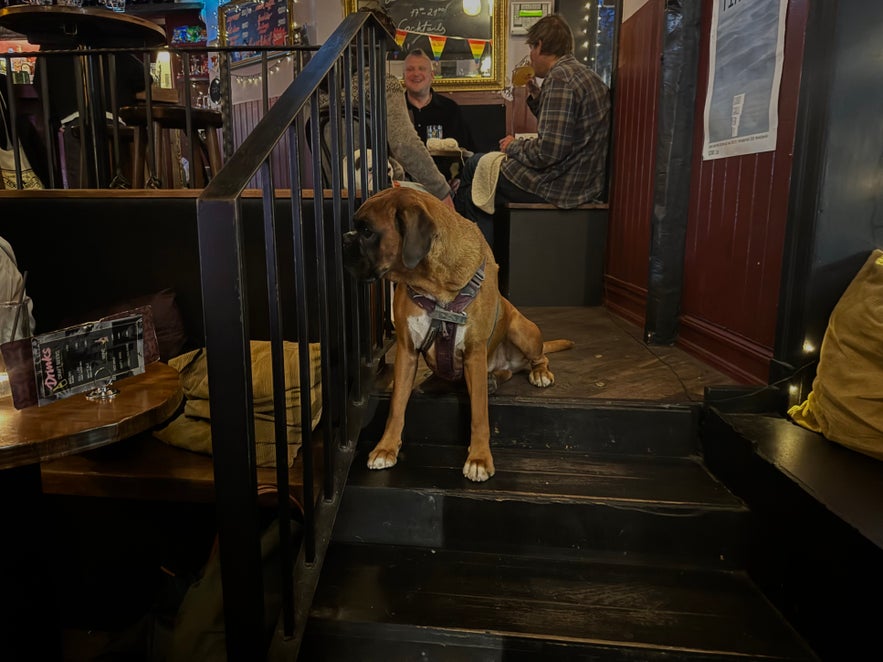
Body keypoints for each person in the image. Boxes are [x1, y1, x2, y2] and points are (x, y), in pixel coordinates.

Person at [453, 14, 610, 244]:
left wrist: (513, 146)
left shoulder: (559, 79)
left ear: (540, 45)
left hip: (561, 185)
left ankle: (476, 259)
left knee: (474, 175)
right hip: (583, 180)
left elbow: (548, 152)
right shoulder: (586, 75)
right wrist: (536, 95)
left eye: (531, 48)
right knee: (477, 173)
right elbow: (565, 128)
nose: (530, 57)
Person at [317, 11, 455, 210]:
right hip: (378, 200)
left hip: (331, 201)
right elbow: (404, 144)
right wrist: (442, 191)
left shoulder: (323, 88)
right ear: (381, 47)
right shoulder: (381, 82)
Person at [402, 48, 473, 150]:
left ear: (432, 75)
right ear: (403, 76)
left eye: (422, 69)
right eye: (410, 69)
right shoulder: (392, 111)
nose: (416, 73)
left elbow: (465, 152)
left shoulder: (451, 110)